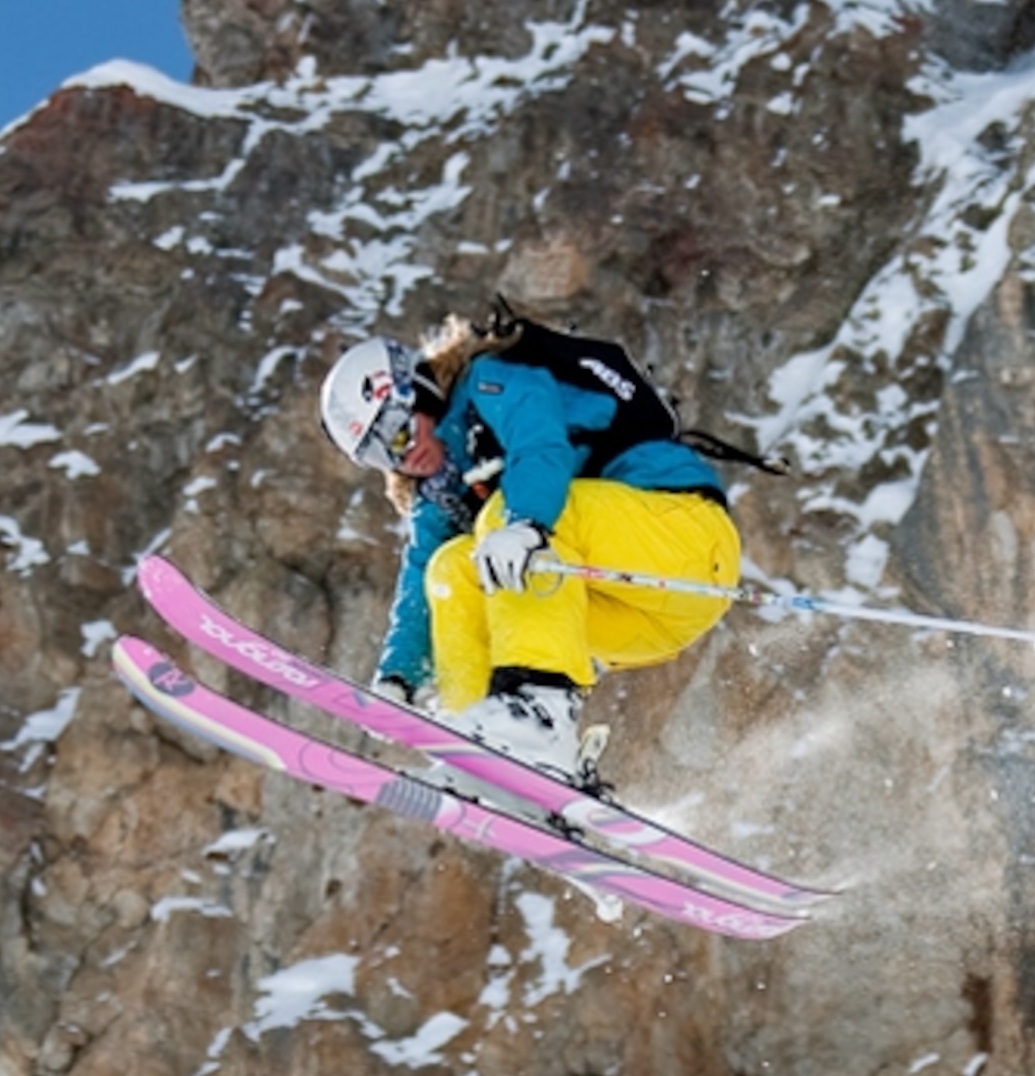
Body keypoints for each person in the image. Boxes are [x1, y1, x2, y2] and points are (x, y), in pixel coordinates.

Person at [317, 304, 744, 784]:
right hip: (634, 614)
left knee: (501, 521)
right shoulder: (441, 492)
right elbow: (419, 582)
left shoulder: (491, 381)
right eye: (379, 453)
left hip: (682, 539)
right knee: (450, 568)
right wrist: (398, 679)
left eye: (398, 428)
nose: (402, 454)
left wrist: (523, 523)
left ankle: (536, 718)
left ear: (419, 390)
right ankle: (482, 747)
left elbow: (539, 446)